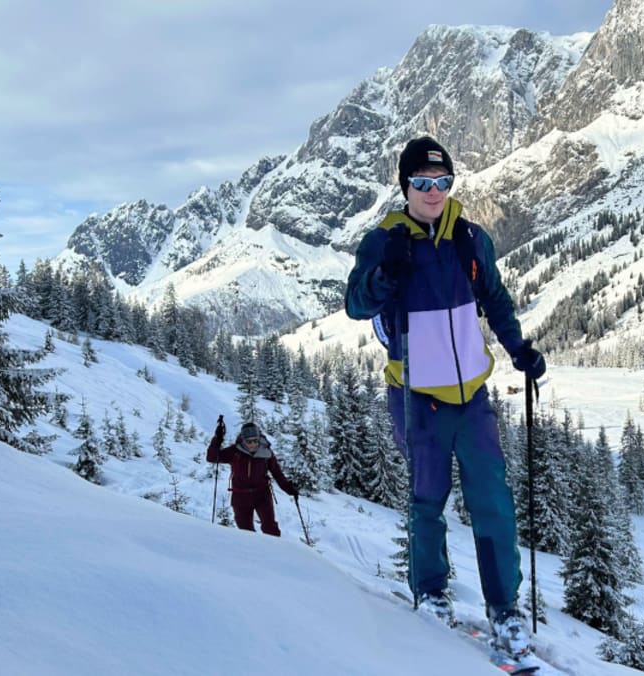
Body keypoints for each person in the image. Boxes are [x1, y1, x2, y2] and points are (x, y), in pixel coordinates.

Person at [343, 136, 547, 660]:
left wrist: (519, 347)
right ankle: (431, 596)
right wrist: (384, 274)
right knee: (427, 503)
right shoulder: (386, 239)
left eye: (442, 182)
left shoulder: (470, 238)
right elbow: (355, 305)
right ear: (404, 185)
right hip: (416, 398)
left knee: (493, 505)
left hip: (473, 396)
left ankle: (504, 613)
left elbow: (495, 300)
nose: (433, 192)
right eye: (422, 182)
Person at [206, 421, 299, 537]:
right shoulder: (235, 452)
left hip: (262, 494)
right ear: (243, 440)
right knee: (245, 532)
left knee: (270, 528)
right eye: (249, 441)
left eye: (255, 440)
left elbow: (277, 473)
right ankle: (253, 554)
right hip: (240, 496)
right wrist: (217, 439)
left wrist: (289, 489)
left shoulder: (266, 452)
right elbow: (212, 457)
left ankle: (275, 552)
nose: (253, 444)